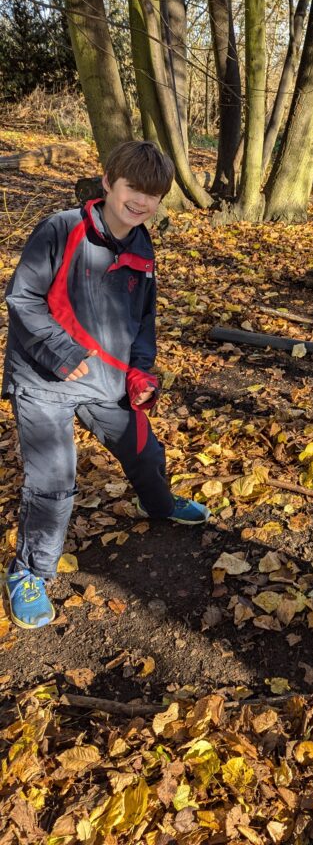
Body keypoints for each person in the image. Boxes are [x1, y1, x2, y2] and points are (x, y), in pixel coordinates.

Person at [3, 141, 210, 631]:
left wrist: (140, 371)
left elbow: (144, 319)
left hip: (105, 380)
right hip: (42, 378)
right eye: (132, 188)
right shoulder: (61, 228)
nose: (140, 202)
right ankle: (29, 572)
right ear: (108, 184)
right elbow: (22, 298)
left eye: (152, 195)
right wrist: (63, 352)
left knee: (144, 450)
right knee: (54, 480)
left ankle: (156, 505)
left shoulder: (142, 244)